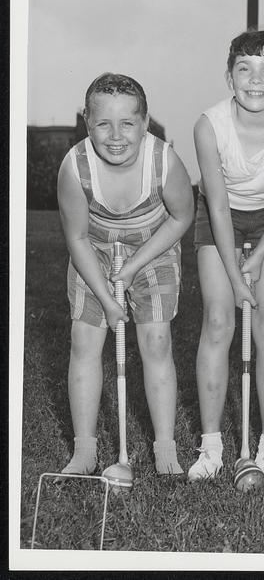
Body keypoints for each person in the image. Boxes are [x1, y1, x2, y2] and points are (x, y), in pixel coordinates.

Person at [189, 30, 264, 482]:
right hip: (220, 216)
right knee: (219, 320)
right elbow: (217, 204)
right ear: (229, 77)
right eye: (244, 68)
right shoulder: (209, 124)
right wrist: (237, 275)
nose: (255, 81)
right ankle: (211, 446)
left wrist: (258, 255)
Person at [57, 73, 194, 477]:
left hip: (154, 247)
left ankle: (165, 448)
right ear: (88, 123)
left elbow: (183, 216)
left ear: (145, 122)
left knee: (156, 341)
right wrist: (108, 298)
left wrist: (132, 267)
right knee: (84, 339)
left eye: (127, 123)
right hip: (93, 251)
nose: (115, 135)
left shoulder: (164, 161)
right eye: (103, 123)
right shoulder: (75, 167)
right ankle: (84, 451)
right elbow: (77, 239)